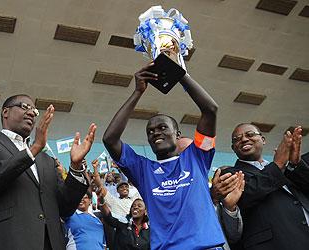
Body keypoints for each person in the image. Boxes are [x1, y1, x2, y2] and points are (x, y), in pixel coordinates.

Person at [102, 64, 225, 249]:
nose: (155, 133)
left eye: (162, 128)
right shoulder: (143, 170)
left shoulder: (197, 157)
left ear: (177, 134)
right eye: (150, 131)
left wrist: (180, 74)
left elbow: (210, 109)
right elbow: (110, 139)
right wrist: (137, 92)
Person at [0, 94, 97, 250]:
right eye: (25, 107)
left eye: (35, 110)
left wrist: (75, 166)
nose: (32, 112)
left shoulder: (47, 161)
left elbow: (65, 208)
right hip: (6, 241)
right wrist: (33, 149)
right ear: (5, 112)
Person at [222, 124, 309, 250]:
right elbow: (245, 195)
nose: (244, 139)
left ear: (263, 140)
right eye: (237, 139)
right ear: (233, 148)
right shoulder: (229, 174)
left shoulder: (286, 169)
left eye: (250, 134)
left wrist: (295, 164)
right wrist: (277, 165)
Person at [210, 168, 244, 250]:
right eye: (222, 180)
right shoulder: (198, 198)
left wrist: (230, 208)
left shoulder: (226, 206)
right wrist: (213, 199)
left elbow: (234, 237)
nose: (225, 184)